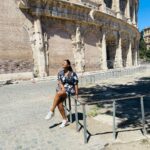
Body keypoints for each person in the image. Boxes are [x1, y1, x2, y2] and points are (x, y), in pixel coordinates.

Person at [45, 59, 79, 128]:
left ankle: (51, 111)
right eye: (62, 63)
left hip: (69, 89)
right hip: (62, 89)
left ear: (68, 65)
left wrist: (77, 94)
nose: (63, 64)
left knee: (58, 93)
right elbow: (59, 81)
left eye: (64, 63)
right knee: (59, 103)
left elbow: (76, 84)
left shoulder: (73, 73)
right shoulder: (60, 72)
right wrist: (63, 88)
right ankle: (65, 120)